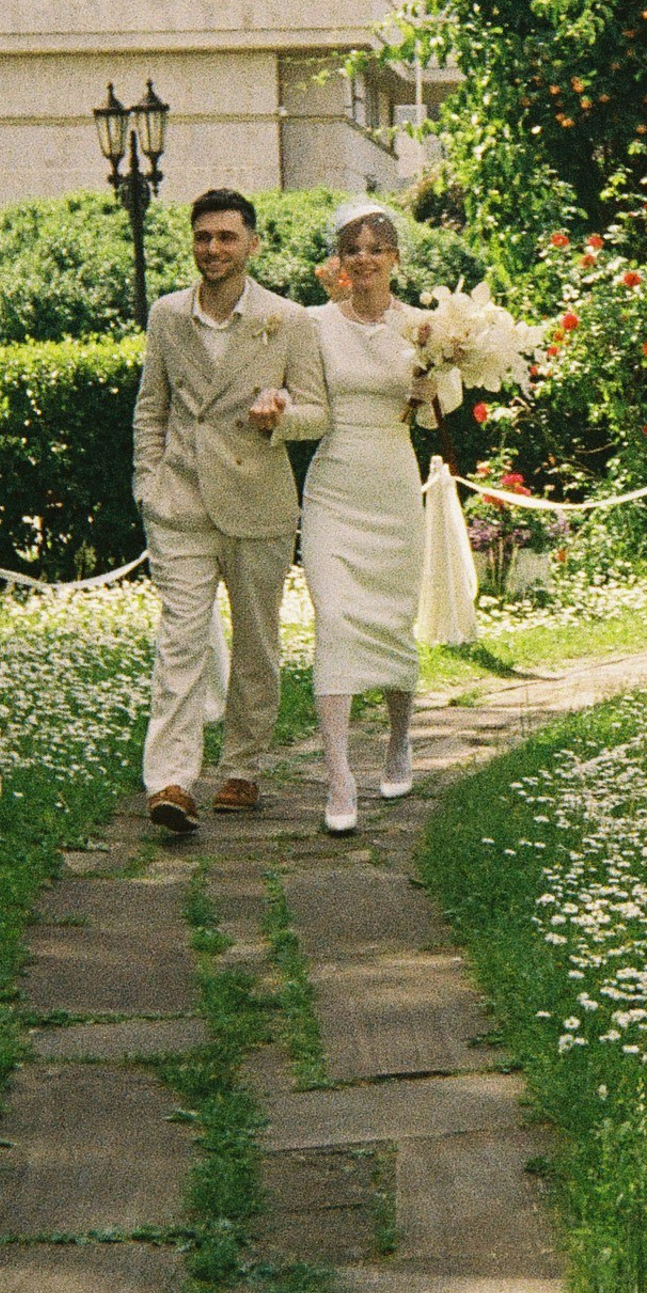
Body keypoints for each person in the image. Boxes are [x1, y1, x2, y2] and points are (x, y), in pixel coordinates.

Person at [133, 188, 328, 834]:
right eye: (202, 237)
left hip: (258, 502)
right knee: (181, 641)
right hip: (181, 504)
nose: (212, 249)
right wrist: (149, 484)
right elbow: (150, 408)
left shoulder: (288, 319)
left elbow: (318, 412)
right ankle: (171, 779)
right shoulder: (167, 315)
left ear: (252, 244)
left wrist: (279, 418)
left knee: (256, 645)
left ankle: (243, 766)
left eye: (226, 238)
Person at [298, 200, 454, 834]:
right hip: (334, 484)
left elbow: (438, 410)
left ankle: (399, 739)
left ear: (395, 258)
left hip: (392, 484)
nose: (364, 259)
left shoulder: (424, 326)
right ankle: (339, 776)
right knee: (334, 618)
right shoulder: (312, 325)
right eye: (352, 249)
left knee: (391, 620)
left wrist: (428, 390)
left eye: (377, 248)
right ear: (339, 261)